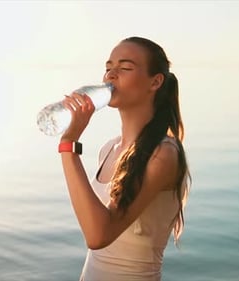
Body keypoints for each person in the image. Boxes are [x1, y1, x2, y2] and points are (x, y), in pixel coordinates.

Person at [58, 36, 191, 281]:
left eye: (125, 68)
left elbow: (98, 235)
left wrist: (69, 146)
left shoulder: (163, 155)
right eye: (108, 68)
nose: (111, 75)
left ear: (155, 82)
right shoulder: (109, 148)